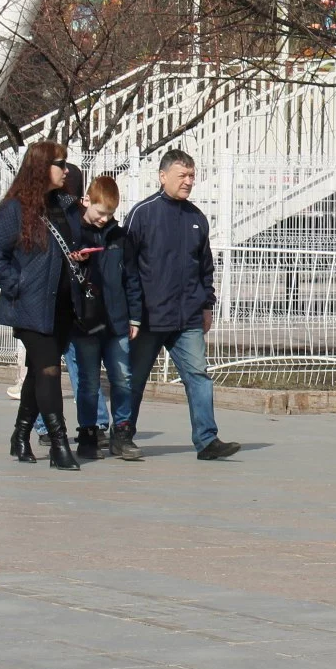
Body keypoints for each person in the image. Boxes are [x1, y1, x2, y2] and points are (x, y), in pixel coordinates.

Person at [124, 149, 235, 460]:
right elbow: (126, 266)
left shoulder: (196, 218)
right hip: (149, 317)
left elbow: (205, 266)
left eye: (191, 176)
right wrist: (131, 312)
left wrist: (206, 304)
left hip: (187, 317)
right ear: (163, 177)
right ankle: (123, 434)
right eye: (182, 176)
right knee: (135, 378)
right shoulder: (142, 214)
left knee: (198, 376)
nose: (188, 182)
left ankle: (207, 439)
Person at [0, 141, 85, 472]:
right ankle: (58, 444)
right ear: (42, 167)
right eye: (60, 164)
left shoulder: (66, 205)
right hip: (30, 305)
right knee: (50, 370)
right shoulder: (15, 209)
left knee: (40, 370)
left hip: (62, 304)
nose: (66, 170)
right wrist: (16, 284)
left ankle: (20, 434)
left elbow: (75, 242)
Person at [66, 173, 145, 463]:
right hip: (84, 321)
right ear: (87, 201)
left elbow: (132, 279)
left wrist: (135, 318)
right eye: (100, 213)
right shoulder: (72, 232)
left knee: (123, 378)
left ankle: (122, 432)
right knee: (88, 382)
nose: (103, 219)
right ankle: (88, 432)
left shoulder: (120, 237)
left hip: (116, 320)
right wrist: (74, 262)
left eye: (109, 214)